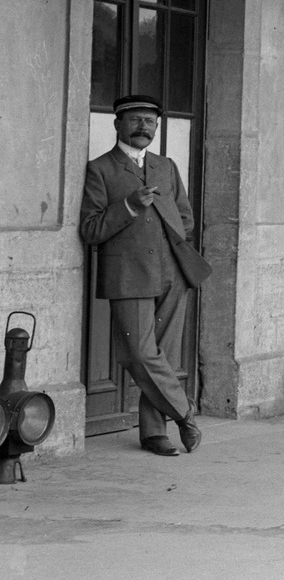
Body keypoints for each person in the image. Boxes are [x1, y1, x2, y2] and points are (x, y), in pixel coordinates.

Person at [79, 94, 211, 457]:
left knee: (163, 357)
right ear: (118, 124)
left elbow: (185, 217)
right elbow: (91, 229)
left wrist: (172, 249)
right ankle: (184, 412)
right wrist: (128, 207)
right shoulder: (100, 169)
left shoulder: (166, 167)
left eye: (150, 122)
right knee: (138, 353)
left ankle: (155, 433)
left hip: (172, 272)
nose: (143, 127)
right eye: (135, 120)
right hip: (128, 273)